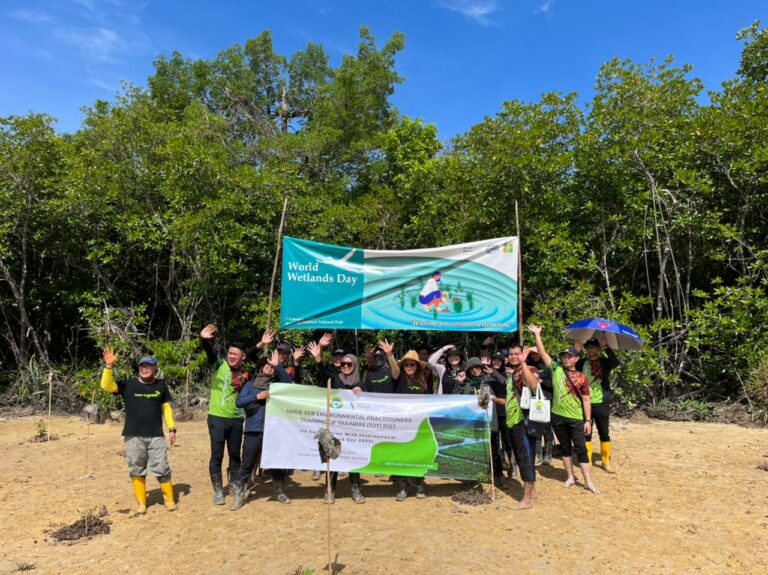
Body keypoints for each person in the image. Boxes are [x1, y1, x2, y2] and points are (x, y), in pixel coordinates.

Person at [199, 323, 270, 505]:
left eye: (235, 354)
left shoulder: (246, 373)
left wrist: (261, 344)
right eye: (230, 353)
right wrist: (204, 341)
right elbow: (210, 353)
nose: (231, 356)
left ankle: (234, 486)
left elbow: (258, 363)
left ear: (242, 357)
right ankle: (218, 491)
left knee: (235, 455)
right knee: (217, 455)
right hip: (217, 417)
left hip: (237, 419)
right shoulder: (219, 365)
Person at [101, 348, 177, 514]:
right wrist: (108, 367)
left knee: (162, 467)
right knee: (136, 468)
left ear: (155, 368)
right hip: (133, 435)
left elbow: (166, 408)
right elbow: (106, 385)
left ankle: (169, 499)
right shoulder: (128, 385)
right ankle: (141, 503)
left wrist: (171, 428)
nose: (144, 368)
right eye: (142, 366)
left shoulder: (161, 386)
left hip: (156, 435)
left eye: (148, 366)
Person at [528, 324, 599, 493]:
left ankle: (588, 481)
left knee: (581, 448)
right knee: (565, 447)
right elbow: (542, 353)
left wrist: (587, 420)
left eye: (569, 356)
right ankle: (570, 477)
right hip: (557, 416)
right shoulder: (556, 370)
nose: (566, 359)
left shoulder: (582, 378)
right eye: (564, 356)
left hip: (576, 418)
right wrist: (537, 334)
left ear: (576, 359)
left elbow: (586, 399)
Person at [230, 350, 294, 510]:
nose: (269, 367)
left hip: (273, 432)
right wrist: (256, 397)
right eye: (266, 365)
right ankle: (239, 495)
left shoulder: (277, 386)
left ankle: (279, 492)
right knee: (247, 464)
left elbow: (289, 383)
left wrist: (277, 365)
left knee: (276, 464)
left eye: (271, 367)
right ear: (260, 368)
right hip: (252, 430)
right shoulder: (250, 385)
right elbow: (239, 402)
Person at [307, 341, 365, 504]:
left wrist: (362, 391)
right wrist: (318, 357)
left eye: (349, 364)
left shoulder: (361, 383)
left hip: (353, 428)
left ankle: (356, 489)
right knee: (332, 456)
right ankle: (330, 490)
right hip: (334, 425)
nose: (345, 366)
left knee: (352, 457)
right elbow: (324, 373)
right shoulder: (335, 378)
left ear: (355, 365)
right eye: (343, 364)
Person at [454, 356, 506, 489]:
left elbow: (504, 384)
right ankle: (473, 477)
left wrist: (494, 372)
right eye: (472, 369)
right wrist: (459, 383)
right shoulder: (466, 384)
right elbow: (455, 398)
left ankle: (498, 475)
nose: (475, 370)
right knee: (474, 450)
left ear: (481, 368)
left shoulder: (489, 380)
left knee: (493, 449)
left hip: (489, 421)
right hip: (472, 423)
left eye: (477, 367)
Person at [576, 337, 620, 472]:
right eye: (588, 347)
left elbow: (615, 362)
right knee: (586, 432)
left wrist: (607, 347)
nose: (590, 350)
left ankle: (605, 462)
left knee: (604, 433)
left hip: (601, 402)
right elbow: (568, 365)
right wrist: (576, 348)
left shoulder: (604, 362)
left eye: (593, 347)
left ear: (598, 349)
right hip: (585, 402)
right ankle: (588, 461)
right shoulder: (581, 363)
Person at [503, 344, 540, 509]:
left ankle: (526, 500)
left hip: (524, 421)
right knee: (522, 456)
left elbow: (534, 386)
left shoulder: (529, 369)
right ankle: (532, 491)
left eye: (517, 353)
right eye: (511, 354)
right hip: (513, 420)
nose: (513, 356)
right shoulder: (512, 374)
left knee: (525, 458)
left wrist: (524, 363)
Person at [392, 350, 431, 500]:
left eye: (412, 364)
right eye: (406, 364)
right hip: (402, 424)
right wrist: (389, 355)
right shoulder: (399, 379)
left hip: (418, 424)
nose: (409, 367)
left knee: (419, 455)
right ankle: (403, 487)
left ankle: (420, 484)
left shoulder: (423, 381)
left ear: (417, 366)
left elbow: (428, 402)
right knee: (402, 455)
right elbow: (394, 369)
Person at [527, 346, 555, 465]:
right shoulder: (529, 365)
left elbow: (553, 384)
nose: (534, 356)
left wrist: (541, 381)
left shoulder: (547, 366)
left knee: (547, 426)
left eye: (536, 353)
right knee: (536, 425)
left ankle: (548, 454)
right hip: (534, 399)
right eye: (532, 354)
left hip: (546, 398)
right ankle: (537, 454)